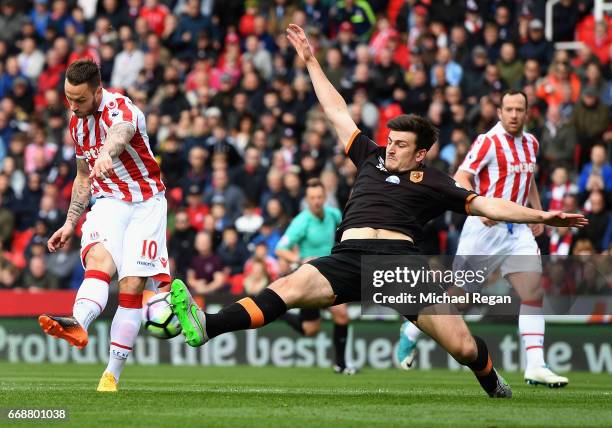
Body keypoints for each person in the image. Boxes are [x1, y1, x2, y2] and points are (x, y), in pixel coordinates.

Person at [169, 25, 586, 398]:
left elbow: (484, 204)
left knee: (462, 347)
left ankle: (492, 380)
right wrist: (312, 62)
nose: (390, 146)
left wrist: (541, 216)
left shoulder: (435, 180)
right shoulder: (370, 156)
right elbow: (336, 111)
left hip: (400, 266)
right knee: (288, 288)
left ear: (421, 153)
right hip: (347, 258)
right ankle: (208, 325)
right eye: (390, 139)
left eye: (401, 144)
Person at [398, 90, 570, 388]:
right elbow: (462, 177)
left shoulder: (531, 142)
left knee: (532, 291)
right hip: (485, 230)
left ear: (526, 113)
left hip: (517, 231)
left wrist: (538, 212)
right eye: (509, 109)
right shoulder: (488, 141)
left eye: (519, 109)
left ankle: (536, 365)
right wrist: (478, 209)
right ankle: (411, 331)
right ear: (500, 112)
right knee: (460, 300)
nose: (514, 114)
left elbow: (526, 178)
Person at [38, 60, 170, 392]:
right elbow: (83, 176)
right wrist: (70, 222)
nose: (73, 105)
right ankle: (77, 324)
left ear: (98, 91)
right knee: (98, 261)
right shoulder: (76, 122)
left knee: (131, 287)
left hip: (146, 203)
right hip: (109, 200)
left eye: (80, 99)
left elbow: (121, 132)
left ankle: (111, 374)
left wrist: (107, 153)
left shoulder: (121, 107)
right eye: (68, 98)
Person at [275, 178, 355, 375]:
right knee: (310, 330)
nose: (317, 201)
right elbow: (280, 249)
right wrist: (300, 259)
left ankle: (341, 364)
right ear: (307, 199)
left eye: (320, 197)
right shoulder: (301, 222)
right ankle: (282, 313)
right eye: (313, 198)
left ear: (325, 197)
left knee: (342, 315)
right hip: (309, 278)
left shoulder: (333, 215)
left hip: (331, 275)